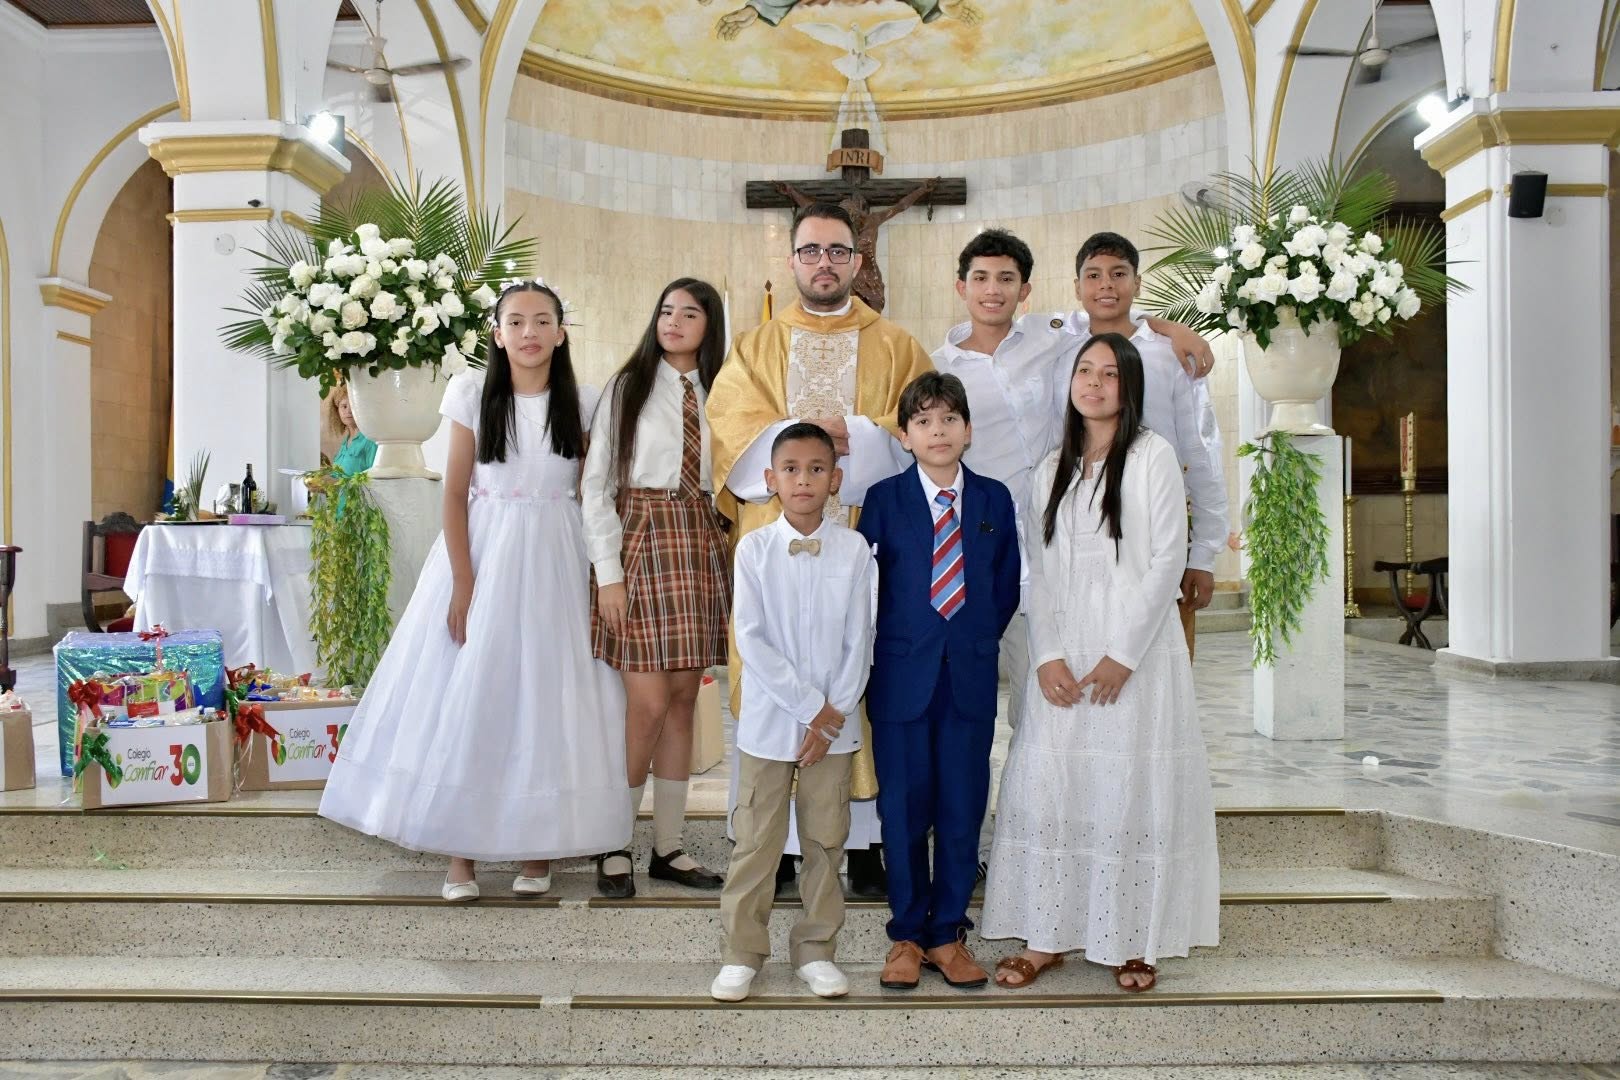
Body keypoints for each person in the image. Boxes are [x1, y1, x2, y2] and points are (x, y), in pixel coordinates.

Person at [319, 281, 631, 901]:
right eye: (516, 321)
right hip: (486, 552)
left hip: (557, 558)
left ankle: (535, 848)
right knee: (473, 693)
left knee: (545, 698)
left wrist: (602, 573)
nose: (529, 332)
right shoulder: (471, 395)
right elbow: (454, 492)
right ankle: (459, 855)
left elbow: (595, 494)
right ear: (497, 332)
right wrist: (463, 580)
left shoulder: (586, 401)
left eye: (543, 321)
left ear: (561, 333)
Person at [981, 333, 1219, 993]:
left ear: (1130, 386)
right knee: (1055, 781)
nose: (1093, 383)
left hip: (1135, 647)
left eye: (1109, 373)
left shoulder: (1152, 456)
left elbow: (1168, 558)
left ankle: (1132, 940)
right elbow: (1044, 571)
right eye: (1084, 371)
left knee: (1130, 785)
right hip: (1066, 641)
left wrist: (1123, 655)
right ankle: (1046, 934)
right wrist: (1049, 654)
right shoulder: (1052, 465)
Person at [708, 200, 933, 899]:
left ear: (858, 262)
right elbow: (731, 436)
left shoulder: (896, 345)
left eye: (838, 251)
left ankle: (862, 841)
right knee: (770, 672)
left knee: (854, 676)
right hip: (773, 545)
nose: (824, 264)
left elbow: (919, 431)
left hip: (864, 542)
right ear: (792, 260)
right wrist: (805, 442)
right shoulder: (754, 346)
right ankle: (765, 841)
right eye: (811, 251)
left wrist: (858, 434)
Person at [857, 371, 1021, 991]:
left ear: (969, 430)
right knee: (901, 811)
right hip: (901, 678)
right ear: (905, 436)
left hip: (970, 677)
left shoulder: (994, 499)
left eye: (949, 419)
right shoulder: (882, 499)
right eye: (923, 421)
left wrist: (971, 640)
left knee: (960, 809)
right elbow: (867, 589)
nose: (938, 431)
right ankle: (906, 934)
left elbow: (1004, 584)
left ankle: (947, 932)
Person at [711, 423, 877, 1003]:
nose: (802, 479)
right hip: (770, 720)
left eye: (815, 469)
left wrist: (831, 715)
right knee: (757, 838)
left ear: (835, 480)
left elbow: (863, 638)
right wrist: (811, 709)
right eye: (790, 468)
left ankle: (816, 949)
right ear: (770, 479)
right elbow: (750, 639)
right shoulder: (753, 549)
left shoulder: (855, 550)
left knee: (826, 837)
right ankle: (742, 952)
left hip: (836, 722)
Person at [582, 279, 732, 897]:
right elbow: (595, 485)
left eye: (689, 313)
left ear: (709, 324)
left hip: (700, 538)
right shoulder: (629, 386)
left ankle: (668, 847)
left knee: (680, 700)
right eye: (665, 309)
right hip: (641, 536)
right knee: (644, 703)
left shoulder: (724, 389)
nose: (673, 321)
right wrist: (609, 574)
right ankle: (614, 843)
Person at [1064, 231, 1228, 659]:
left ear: (1137, 283)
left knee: (1156, 665)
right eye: (1093, 275)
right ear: (1077, 286)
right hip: (1081, 532)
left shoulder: (1169, 354)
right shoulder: (1062, 347)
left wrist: (1204, 554)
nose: (1106, 286)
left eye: (1119, 274)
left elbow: (1200, 452)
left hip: (1156, 530)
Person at [325, 381, 377, 475]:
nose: (348, 411)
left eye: (353, 406)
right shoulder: (346, 441)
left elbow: (374, 481)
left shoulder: (370, 440)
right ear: (337, 411)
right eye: (344, 406)